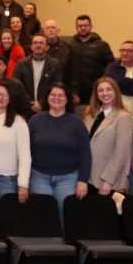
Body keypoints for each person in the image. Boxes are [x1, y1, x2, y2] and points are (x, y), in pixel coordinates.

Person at [27, 83, 90, 219]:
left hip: (68, 178)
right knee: (41, 216)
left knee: (64, 215)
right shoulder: (35, 121)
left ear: (68, 99)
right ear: (47, 98)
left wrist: (83, 180)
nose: (57, 98)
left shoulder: (77, 123)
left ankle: (64, 240)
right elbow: (27, 151)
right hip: (39, 177)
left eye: (61, 95)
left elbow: (85, 153)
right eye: (53, 95)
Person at [83, 77, 133, 195]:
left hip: (106, 179)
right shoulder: (89, 115)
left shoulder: (123, 117)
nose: (105, 93)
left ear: (115, 92)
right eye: (101, 90)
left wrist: (108, 180)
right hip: (87, 176)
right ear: (96, 94)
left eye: (109, 89)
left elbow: (121, 152)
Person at [69, 14, 114, 104]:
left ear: (91, 26)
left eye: (86, 25)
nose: (83, 28)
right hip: (74, 90)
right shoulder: (69, 44)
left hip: (95, 89)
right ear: (76, 28)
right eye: (80, 26)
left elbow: (110, 67)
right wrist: (72, 91)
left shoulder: (102, 45)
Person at [13, 33, 64, 114]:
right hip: (26, 108)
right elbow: (17, 85)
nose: (38, 45)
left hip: (47, 108)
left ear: (47, 47)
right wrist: (30, 103)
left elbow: (57, 86)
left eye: (41, 43)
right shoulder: (21, 63)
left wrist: (41, 103)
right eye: (35, 43)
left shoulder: (55, 64)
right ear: (31, 46)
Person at [103, 40, 133, 114]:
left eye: (129, 51)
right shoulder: (112, 68)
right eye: (122, 50)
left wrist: (122, 83)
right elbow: (111, 86)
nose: (125, 53)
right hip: (115, 107)